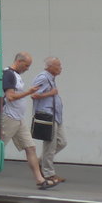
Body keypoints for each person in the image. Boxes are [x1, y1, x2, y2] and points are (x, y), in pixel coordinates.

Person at [0, 51, 53, 189]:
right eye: (27, 65)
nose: (27, 68)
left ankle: (40, 180)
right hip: (9, 118)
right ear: (19, 61)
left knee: (31, 147)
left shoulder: (16, 75)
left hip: (19, 119)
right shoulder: (8, 74)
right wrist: (29, 92)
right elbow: (10, 96)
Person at [31, 57, 67, 185]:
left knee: (62, 142)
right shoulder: (43, 77)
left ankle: (41, 162)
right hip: (47, 116)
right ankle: (48, 174)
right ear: (50, 67)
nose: (60, 68)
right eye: (58, 65)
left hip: (56, 116)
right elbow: (33, 95)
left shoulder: (51, 78)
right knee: (50, 146)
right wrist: (51, 93)